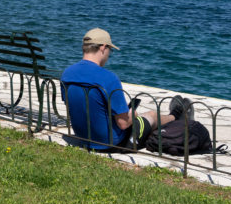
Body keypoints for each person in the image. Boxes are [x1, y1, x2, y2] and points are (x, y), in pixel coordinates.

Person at [61, 28, 191, 151]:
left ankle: (175, 115)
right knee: (150, 116)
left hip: (83, 137)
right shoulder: (109, 78)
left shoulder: (67, 74)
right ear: (103, 47)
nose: (108, 55)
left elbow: (74, 105)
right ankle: (176, 116)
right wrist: (132, 114)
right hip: (110, 142)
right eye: (110, 50)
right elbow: (123, 124)